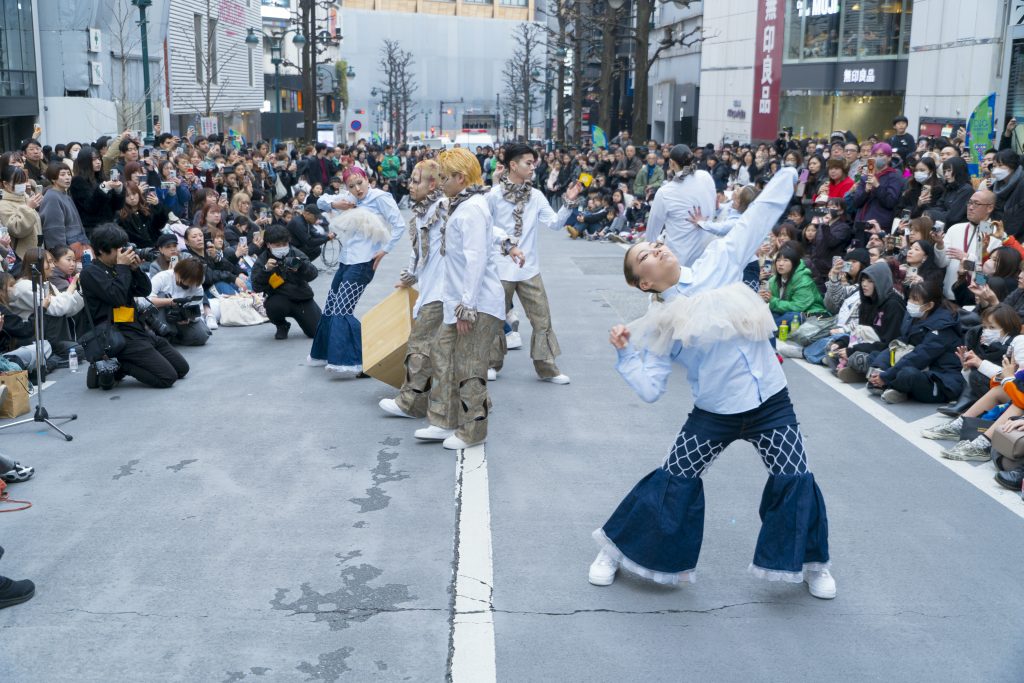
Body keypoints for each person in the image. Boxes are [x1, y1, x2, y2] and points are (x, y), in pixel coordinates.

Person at [589, 168, 834, 599]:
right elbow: (651, 390)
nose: (657, 246)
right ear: (644, 282)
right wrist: (626, 354)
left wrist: (787, 174)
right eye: (645, 253)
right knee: (674, 478)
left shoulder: (718, 262)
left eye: (656, 242)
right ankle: (615, 550)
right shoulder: (658, 321)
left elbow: (755, 218)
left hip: (771, 401)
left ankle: (814, 563)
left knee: (796, 476)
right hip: (715, 413)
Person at [413, 148, 506, 450]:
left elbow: (476, 259)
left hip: (476, 303)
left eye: (443, 177)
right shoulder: (459, 204)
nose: (439, 182)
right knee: (442, 355)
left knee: (469, 366)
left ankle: (473, 431)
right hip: (459, 302)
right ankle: (443, 419)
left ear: (460, 178)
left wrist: (468, 307)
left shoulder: (472, 208)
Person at [487, 144, 576, 384]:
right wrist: (505, 243)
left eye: (533, 162)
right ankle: (491, 363)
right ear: (513, 166)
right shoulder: (493, 195)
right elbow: (485, 225)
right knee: (495, 318)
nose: (533, 166)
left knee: (542, 318)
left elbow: (555, 223)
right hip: (500, 267)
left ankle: (546, 367)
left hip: (529, 269)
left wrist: (569, 202)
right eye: (528, 162)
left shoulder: (536, 196)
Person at [310, 166, 404, 377]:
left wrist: (384, 251)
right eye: (351, 186)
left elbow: (400, 225)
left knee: (342, 311)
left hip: (363, 264)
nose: (357, 189)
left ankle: (369, 360)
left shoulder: (380, 197)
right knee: (331, 308)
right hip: (346, 261)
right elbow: (318, 201)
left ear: (367, 179)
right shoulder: (348, 197)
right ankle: (330, 354)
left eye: (359, 183)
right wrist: (335, 203)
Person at [379, 160, 452, 419]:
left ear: (432, 183)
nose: (410, 185)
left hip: (443, 290)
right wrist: (409, 277)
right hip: (433, 287)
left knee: (420, 345)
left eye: (416, 181)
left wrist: (509, 245)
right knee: (441, 350)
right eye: (410, 180)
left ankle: (410, 403)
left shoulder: (444, 207)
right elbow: (418, 250)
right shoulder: (425, 210)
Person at [79, 224, 189, 389]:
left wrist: (135, 270)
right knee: (168, 377)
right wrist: (123, 268)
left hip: (137, 328)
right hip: (117, 334)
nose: (123, 252)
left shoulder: (119, 268)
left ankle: (119, 365)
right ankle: (119, 365)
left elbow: (145, 290)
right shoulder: (90, 273)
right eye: (118, 248)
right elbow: (116, 297)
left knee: (182, 368)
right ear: (101, 250)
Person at [865, 280, 963, 404]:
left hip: (940, 378)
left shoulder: (943, 327)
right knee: (875, 356)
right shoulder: (915, 317)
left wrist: (887, 376)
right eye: (910, 298)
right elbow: (901, 344)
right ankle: (886, 383)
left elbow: (919, 357)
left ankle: (888, 385)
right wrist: (880, 368)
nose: (910, 303)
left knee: (907, 374)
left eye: (915, 300)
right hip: (921, 367)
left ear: (929, 305)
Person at [643, 145, 717, 266]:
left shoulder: (666, 192)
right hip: (706, 252)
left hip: (680, 257)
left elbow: (652, 230)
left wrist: (649, 250)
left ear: (671, 163)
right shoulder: (705, 177)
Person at [250, 225, 321, 340]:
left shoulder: (296, 253)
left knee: (317, 331)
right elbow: (256, 286)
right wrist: (266, 270)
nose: (282, 248)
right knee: (273, 306)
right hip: (279, 298)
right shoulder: (263, 260)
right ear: (268, 244)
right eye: (277, 245)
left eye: (284, 244)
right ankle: (282, 325)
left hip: (301, 297)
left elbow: (313, 274)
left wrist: (301, 267)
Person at [760, 242, 829, 328]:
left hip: (809, 314)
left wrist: (772, 300)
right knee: (767, 313)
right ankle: (767, 328)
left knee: (793, 317)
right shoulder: (773, 280)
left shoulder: (803, 280)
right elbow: (771, 303)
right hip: (785, 312)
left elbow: (798, 306)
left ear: (794, 264)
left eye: (785, 260)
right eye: (778, 260)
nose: (780, 264)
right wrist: (763, 298)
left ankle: (766, 329)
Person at [146, 258, 212, 346]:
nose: (185, 284)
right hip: (162, 314)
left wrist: (188, 318)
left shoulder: (197, 286)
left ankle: (174, 338)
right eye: (183, 279)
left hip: (181, 319)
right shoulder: (162, 277)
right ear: (176, 272)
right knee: (161, 295)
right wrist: (170, 301)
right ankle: (164, 334)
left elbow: (198, 311)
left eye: (190, 283)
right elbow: (147, 301)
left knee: (201, 336)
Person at [848, 142, 905, 232]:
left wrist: (877, 186)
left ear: (889, 158)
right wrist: (866, 191)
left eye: (881, 155)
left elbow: (890, 202)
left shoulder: (895, 177)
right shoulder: (865, 177)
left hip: (879, 226)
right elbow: (856, 203)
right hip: (861, 224)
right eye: (875, 155)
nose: (877, 157)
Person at [39, 163, 90, 256]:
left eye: (69, 174)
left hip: (78, 243)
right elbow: (53, 230)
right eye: (62, 174)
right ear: (53, 179)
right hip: (68, 248)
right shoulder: (52, 197)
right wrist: (62, 255)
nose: (67, 177)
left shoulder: (63, 194)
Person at [0, 166, 43, 263]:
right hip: (21, 258)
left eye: (24, 181)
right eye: (18, 182)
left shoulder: (26, 199)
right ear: (5, 184)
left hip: (36, 253)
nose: (22, 185)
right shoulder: (3, 205)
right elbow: (17, 230)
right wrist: (28, 208)